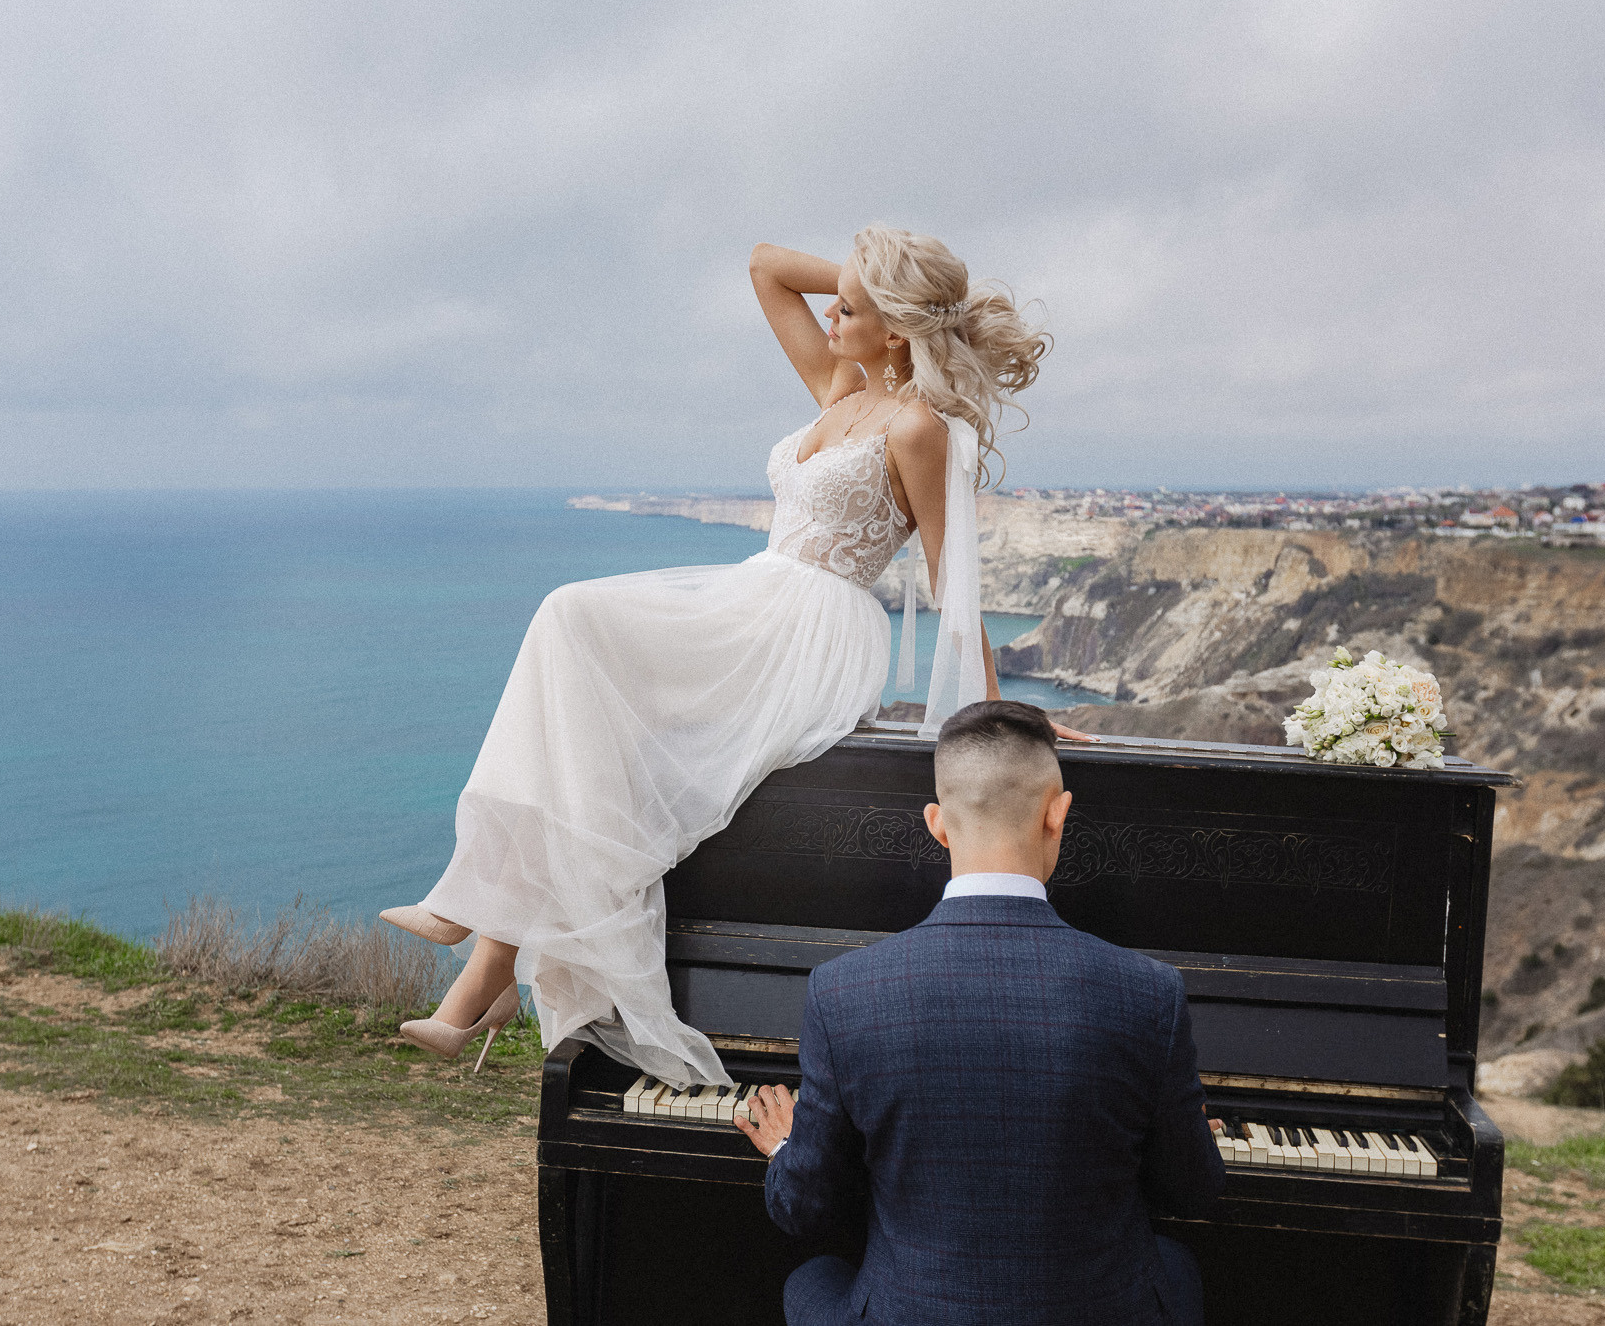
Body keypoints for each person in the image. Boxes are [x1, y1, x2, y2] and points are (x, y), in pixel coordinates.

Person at [378, 226, 1095, 1087]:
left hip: (809, 633)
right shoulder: (841, 383)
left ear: (897, 329)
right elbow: (764, 265)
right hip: (750, 599)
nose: (832, 310)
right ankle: (486, 967)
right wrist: (875, 282)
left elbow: (954, 585)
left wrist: (1007, 718)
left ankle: (479, 940)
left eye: (853, 305)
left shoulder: (916, 428)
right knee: (579, 691)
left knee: (571, 620)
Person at [738, 701, 1225, 1325]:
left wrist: (786, 1147)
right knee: (1176, 1266)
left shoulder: (844, 991)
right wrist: (1177, 1143)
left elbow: (802, 1209)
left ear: (938, 825)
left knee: (813, 1278)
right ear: (1058, 813)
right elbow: (1194, 1191)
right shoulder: (1148, 991)